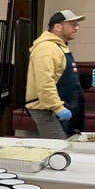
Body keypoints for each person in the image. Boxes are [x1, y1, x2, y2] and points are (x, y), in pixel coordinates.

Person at [25, 10, 86, 138]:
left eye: (77, 24)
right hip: (49, 111)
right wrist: (58, 108)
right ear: (58, 27)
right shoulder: (47, 48)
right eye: (73, 24)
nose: (77, 28)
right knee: (58, 148)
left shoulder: (60, 47)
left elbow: (58, 75)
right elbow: (44, 83)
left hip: (59, 108)